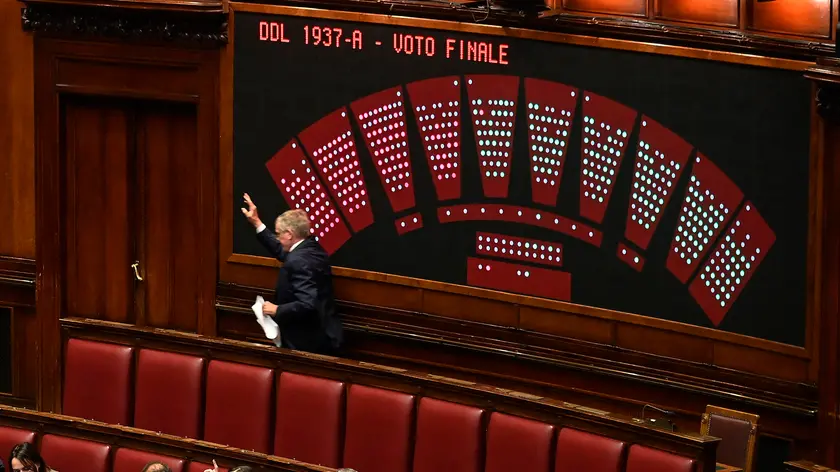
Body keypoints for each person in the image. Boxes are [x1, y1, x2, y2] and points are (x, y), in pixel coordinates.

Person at [241, 193, 343, 355]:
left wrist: (277, 309)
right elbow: (282, 251)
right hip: (325, 333)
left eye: (278, 234)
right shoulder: (311, 248)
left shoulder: (298, 261)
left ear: (289, 234)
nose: (277, 238)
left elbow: (308, 303)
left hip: (309, 343)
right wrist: (257, 223)